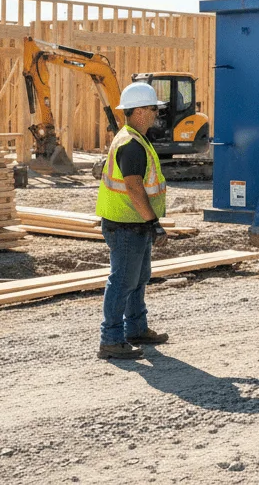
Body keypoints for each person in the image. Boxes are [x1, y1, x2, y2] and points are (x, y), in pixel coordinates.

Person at [95, 82, 173, 359]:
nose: (156, 114)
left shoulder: (135, 139)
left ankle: (136, 329)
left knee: (138, 278)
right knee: (122, 282)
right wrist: (154, 223)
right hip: (126, 224)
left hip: (132, 222)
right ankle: (111, 340)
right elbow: (134, 188)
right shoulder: (131, 144)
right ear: (139, 111)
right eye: (153, 109)